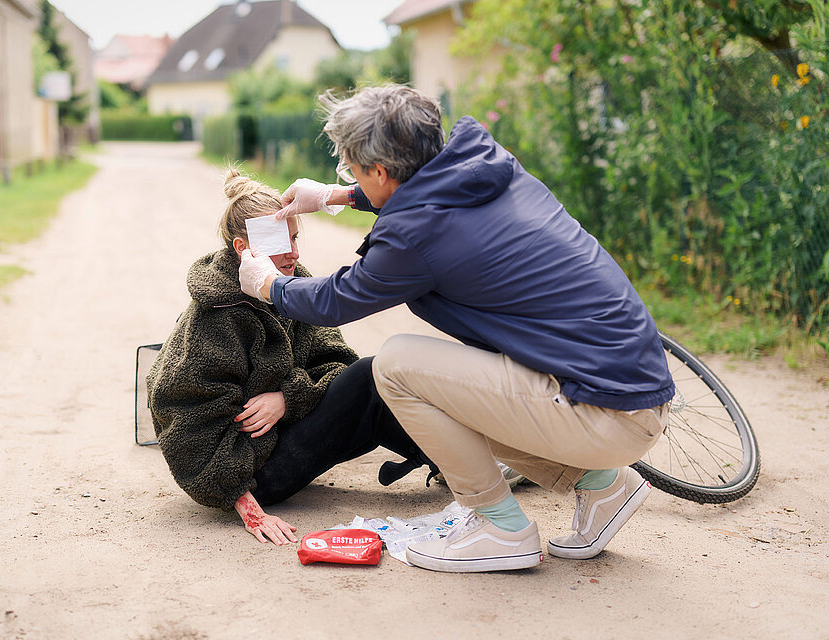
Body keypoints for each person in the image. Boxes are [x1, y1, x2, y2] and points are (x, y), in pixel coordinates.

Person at [238, 85, 675, 572]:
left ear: (380, 171)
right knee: (456, 388)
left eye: (351, 168)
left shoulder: (412, 235)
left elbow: (335, 299)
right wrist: (338, 196)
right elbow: (426, 193)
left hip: (605, 413)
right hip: (629, 393)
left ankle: (499, 527)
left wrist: (269, 285)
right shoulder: (484, 164)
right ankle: (603, 487)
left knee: (398, 366)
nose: (350, 175)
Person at [146, 168, 434, 546]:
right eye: (281, 243)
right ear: (241, 249)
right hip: (252, 471)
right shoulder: (216, 314)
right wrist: (250, 508)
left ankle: (457, 465)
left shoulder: (292, 277)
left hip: (291, 429)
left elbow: (337, 363)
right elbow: (183, 424)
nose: (294, 254)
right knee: (368, 375)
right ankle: (465, 469)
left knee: (371, 379)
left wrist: (288, 398)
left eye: (295, 238)